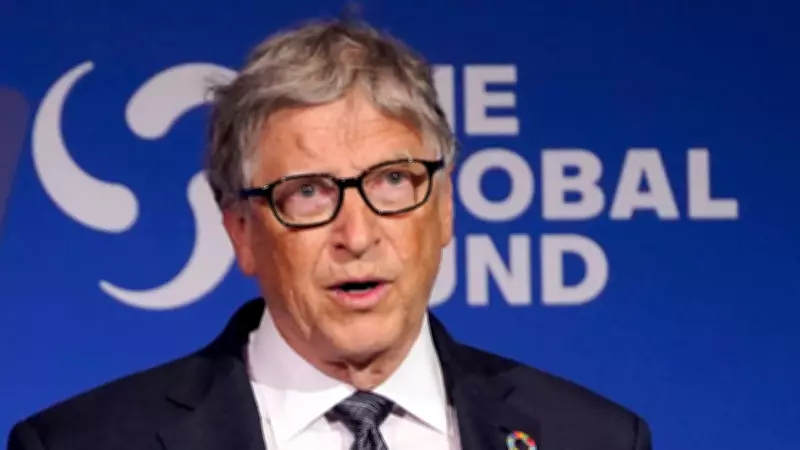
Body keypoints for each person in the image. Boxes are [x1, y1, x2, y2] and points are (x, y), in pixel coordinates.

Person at [7, 17, 652, 450]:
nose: (358, 235)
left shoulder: (592, 438)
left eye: (393, 181)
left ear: (445, 206)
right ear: (241, 230)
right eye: (309, 192)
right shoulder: (83, 442)